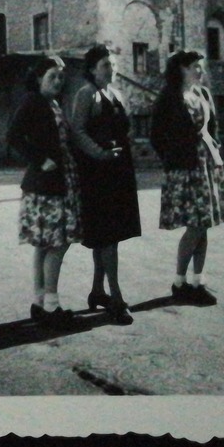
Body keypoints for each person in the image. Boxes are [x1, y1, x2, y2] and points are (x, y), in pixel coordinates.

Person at [68, 44, 141, 324]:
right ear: (92, 69)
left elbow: (125, 129)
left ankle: (98, 291)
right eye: (105, 65)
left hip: (118, 171)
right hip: (98, 173)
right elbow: (77, 130)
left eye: (113, 64)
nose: (111, 69)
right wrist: (99, 153)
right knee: (107, 237)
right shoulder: (86, 94)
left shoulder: (116, 94)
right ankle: (116, 298)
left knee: (109, 236)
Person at [151, 49, 224, 305]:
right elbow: (156, 135)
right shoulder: (169, 96)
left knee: (203, 223)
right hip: (184, 169)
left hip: (206, 164)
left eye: (200, 65)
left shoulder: (202, 94)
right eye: (195, 66)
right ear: (181, 69)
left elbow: (213, 126)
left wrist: (213, 148)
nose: (200, 70)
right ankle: (179, 282)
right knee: (195, 225)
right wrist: (173, 160)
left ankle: (198, 282)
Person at [10, 54, 80, 327]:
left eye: (61, 77)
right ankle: (51, 306)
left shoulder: (53, 104)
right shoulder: (32, 102)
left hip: (58, 181)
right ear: (38, 78)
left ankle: (39, 303)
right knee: (57, 243)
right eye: (52, 76)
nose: (58, 81)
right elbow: (13, 136)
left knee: (43, 245)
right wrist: (40, 159)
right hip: (46, 184)